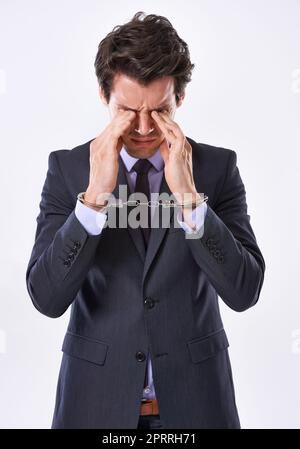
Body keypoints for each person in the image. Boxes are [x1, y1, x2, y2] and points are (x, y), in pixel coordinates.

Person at [26, 11, 265, 429]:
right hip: (94, 405)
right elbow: (46, 298)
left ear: (180, 100)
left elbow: (244, 291)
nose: (141, 127)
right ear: (104, 96)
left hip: (197, 404)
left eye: (159, 111)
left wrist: (190, 199)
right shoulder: (66, 170)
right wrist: (93, 200)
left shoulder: (217, 168)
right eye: (127, 110)